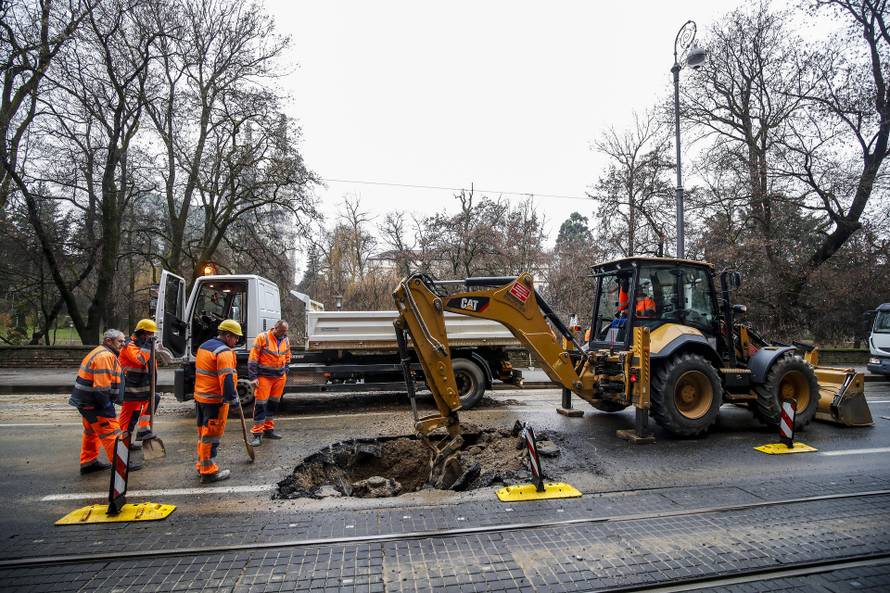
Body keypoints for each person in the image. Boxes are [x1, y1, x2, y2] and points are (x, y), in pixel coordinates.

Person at [69, 329, 125, 474]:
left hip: (85, 401)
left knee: (90, 432)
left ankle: (88, 462)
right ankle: (121, 464)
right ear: (109, 341)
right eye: (120, 341)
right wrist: (107, 409)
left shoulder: (101, 352)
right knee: (112, 432)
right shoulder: (105, 356)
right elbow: (101, 388)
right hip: (95, 403)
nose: (123, 344)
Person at [193, 319, 242, 483]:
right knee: (211, 437)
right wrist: (233, 399)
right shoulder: (224, 352)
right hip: (214, 400)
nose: (237, 341)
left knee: (203, 434)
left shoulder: (204, 346)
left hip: (201, 397)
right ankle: (208, 471)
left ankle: (201, 465)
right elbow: (226, 379)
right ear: (227, 336)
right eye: (235, 337)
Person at [118, 319, 160, 469]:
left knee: (154, 399)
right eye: (149, 334)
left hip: (142, 387)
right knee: (127, 419)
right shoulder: (130, 345)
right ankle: (122, 445)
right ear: (142, 333)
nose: (151, 337)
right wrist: (149, 345)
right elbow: (141, 360)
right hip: (131, 389)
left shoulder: (143, 345)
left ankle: (142, 431)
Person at [247, 320, 291, 447]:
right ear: (275, 328)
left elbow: (287, 356)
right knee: (261, 404)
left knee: (273, 404)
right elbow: (253, 358)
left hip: (279, 377)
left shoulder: (285, 340)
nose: (284, 333)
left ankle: (268, 430)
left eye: (285, 331)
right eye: (282, 331)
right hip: (264, 377)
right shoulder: (262, 338)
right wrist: (253, 377)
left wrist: (285, 370)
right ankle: (257, 434)